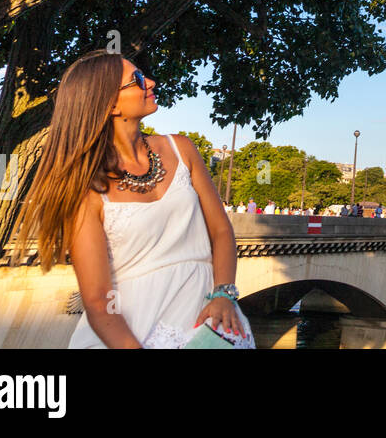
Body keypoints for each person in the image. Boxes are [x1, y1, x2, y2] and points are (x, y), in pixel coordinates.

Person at [15, 50, 252, 349]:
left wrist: (223, 294)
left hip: (208, 325)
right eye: (137, 80)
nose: (150, 82)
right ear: (110, 104)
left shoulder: (182, 149)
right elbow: (98, 301)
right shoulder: (86, 190)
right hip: (130, 335)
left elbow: (221, 231)